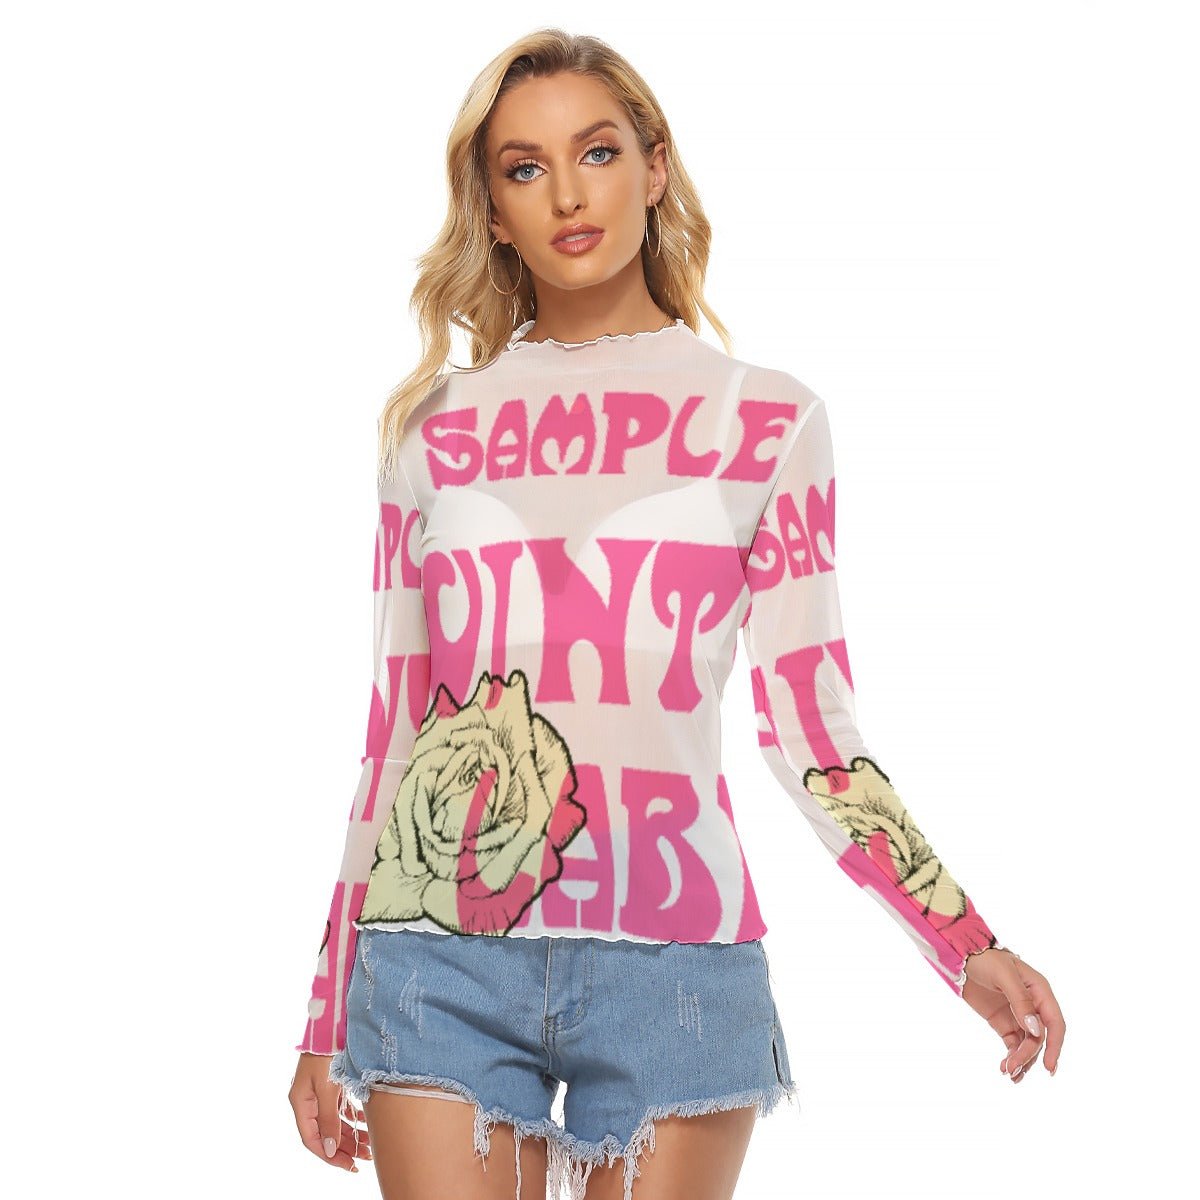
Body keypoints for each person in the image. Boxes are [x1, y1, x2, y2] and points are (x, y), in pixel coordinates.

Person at [287, 27, 1066, 1200]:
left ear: (656, 166)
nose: (568, 193)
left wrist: (966, 943)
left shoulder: (768, 424)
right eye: (525, 167)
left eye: (597, 151)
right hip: (437, 964)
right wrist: (322, 1011)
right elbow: (395, 733)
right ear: (493, 211)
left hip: (680, 968)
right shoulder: (429, 431)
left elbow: (814, 730)